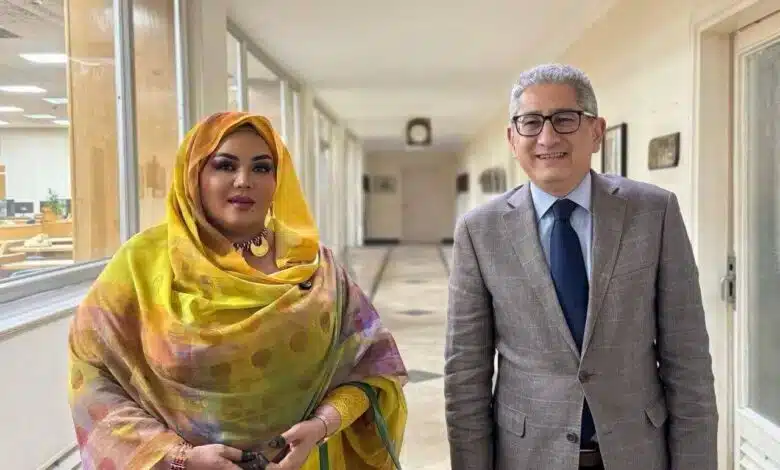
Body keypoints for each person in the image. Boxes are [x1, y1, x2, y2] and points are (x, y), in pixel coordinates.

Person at [68, 112, 408, 470]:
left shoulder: (314, 265)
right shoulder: (141, 265)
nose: (244, 181)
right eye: (225, 165)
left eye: (261, 168)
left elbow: (372, 364)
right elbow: (91, 376)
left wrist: (322, 426)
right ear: (195, 175)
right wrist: (181, 457)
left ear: (278, 179)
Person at [444, 63, 718, 470]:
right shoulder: (479, 231)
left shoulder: (653, 213)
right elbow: (466, 375)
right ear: (512, 138)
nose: (547, 137)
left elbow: (688, 359)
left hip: (637, 453)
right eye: (530, 122)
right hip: (527, 457)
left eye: (565, 119)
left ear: (596, 131)